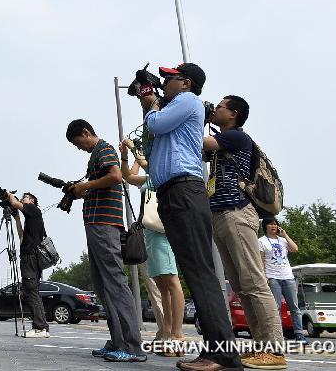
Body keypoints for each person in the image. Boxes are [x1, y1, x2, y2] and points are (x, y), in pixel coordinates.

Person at [134, 63, 242, 371]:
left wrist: (153, 103)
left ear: (187, 83)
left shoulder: (188, 100)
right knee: (196, 273)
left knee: (201, 274)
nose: (165, 82)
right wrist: (150, 102)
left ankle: (223, 355)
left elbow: (154, 125)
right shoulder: (177, 106)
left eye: (171, 78)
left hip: (184, 190)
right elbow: (153, 136)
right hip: (174, 192)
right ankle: (216, 351)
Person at [203, 95, 287, 370]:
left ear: (234, 114)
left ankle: (274, 350)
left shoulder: (238, 138)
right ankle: (260, 345)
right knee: (241, 287)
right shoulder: (221, 141)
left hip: (237, 213)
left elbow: (201, 143)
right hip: (222, 215)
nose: (215, 109)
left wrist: (194, 116)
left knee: (254, 284)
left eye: (220, 106)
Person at [66, 119, 147, 363]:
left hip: (105, 225)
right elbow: (102, 183)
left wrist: (86, 185)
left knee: (115, 282)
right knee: (104, 286)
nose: (78, 147)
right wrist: (81, 190)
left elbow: (115, 176)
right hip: (96, 224)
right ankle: (117, 341)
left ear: (86, 132)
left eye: (78, 142)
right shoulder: (96, 155)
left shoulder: (105, 149)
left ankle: (133, 347)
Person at [120, 137, 186, 355]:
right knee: (162, 285)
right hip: (150, 232)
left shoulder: (162, 172)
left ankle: (178, 334)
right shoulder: (149, 178)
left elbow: (147, 163)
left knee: (171, 282)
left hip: (162, 232)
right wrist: (124, 155)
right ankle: (167, 332)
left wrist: (134, 147)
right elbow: (128, 177)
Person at [7, 191, 50, 338]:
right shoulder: (31, 216)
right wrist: (17, 218)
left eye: (24, 198)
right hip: (31, 258)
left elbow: (13, 203)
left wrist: (8, 194)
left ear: (31, 200)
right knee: (32, 292)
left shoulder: (33, 209)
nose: (21, 200)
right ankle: (42, 327)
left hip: (30, 258)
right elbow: (21, 236)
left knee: (31, 292)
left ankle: (39, 328)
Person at [259, 218, 307, 343]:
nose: (273, 226)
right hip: (273, 277)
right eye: (270, 224)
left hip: (288, 276)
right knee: (276, 308)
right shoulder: (261, 241)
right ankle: (278, 335)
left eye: (275, 224)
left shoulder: (283, 240)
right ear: (265, 226)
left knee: (294, 307)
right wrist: (265, 277)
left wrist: (285, 234)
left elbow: (295, 249)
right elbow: (260, 260)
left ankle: (299, 334)